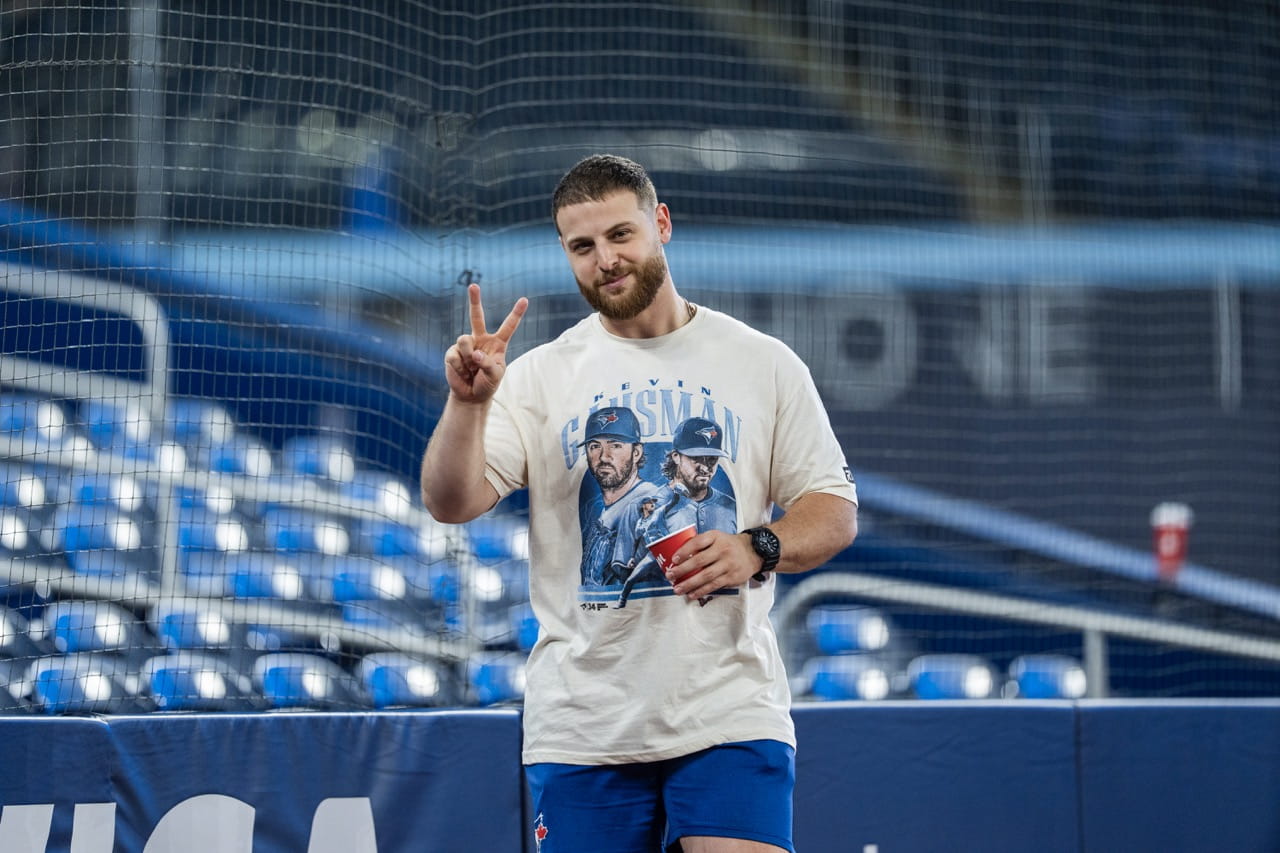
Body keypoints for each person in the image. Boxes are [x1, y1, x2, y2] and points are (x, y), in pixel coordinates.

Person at [421, 154, 858, 853]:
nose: (606, 259)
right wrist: (467, 405)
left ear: (661, 223)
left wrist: (756, 546)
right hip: (585, 721)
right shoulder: (540, 377)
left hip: (728, 709)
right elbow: (450, 501)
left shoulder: (762, 362)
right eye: (582, 246)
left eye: (620, 235)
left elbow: (833, 510)